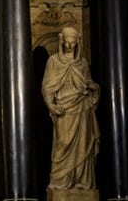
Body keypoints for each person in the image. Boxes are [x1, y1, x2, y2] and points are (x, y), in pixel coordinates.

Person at [41, 24, 100, 190]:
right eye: (67, 42)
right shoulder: (53, 62)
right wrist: (51, 106)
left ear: (77, 43)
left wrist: (94, 89)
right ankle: (60, 182)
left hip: (82, 108)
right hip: (64, 110)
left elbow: (88, 83)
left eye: (72, 42)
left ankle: (82, 181)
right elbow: (47, 87)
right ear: (61, 42)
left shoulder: (82, 63)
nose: (69, 45)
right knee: (63, 144)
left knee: (83, 146)